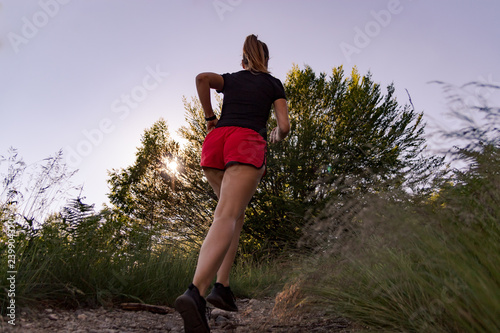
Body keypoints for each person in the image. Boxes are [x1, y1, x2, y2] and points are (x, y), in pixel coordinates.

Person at [174, 34, 290, 333]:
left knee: (233, 216)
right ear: (266, 60)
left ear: (243, 60)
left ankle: (222, 287)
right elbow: (284, 125)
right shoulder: (274, 84)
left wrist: (210, 117)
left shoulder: (232, 79)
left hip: (216, 143)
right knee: (226, 215)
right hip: (245, 142)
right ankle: (196, 292)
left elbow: (201, 78)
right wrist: (277, 133)